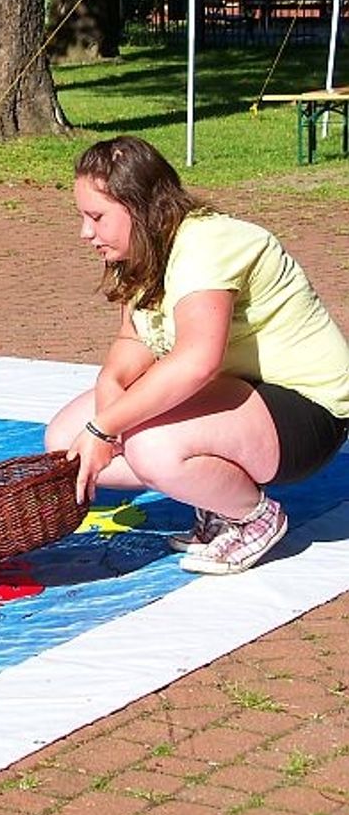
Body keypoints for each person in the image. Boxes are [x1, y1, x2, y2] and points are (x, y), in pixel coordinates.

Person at [45, 135, 349, 576]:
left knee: (149, 446)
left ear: (138, 207)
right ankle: (214, 498)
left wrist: (107, 426)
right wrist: (108, 388)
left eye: (96, 217)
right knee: (63, 439)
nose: (85, 232)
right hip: (241, 389)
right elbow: (135, 341)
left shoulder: (207, 243)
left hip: (310, 407)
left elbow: (196, 361)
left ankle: (253, 516)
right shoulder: (142, 247)